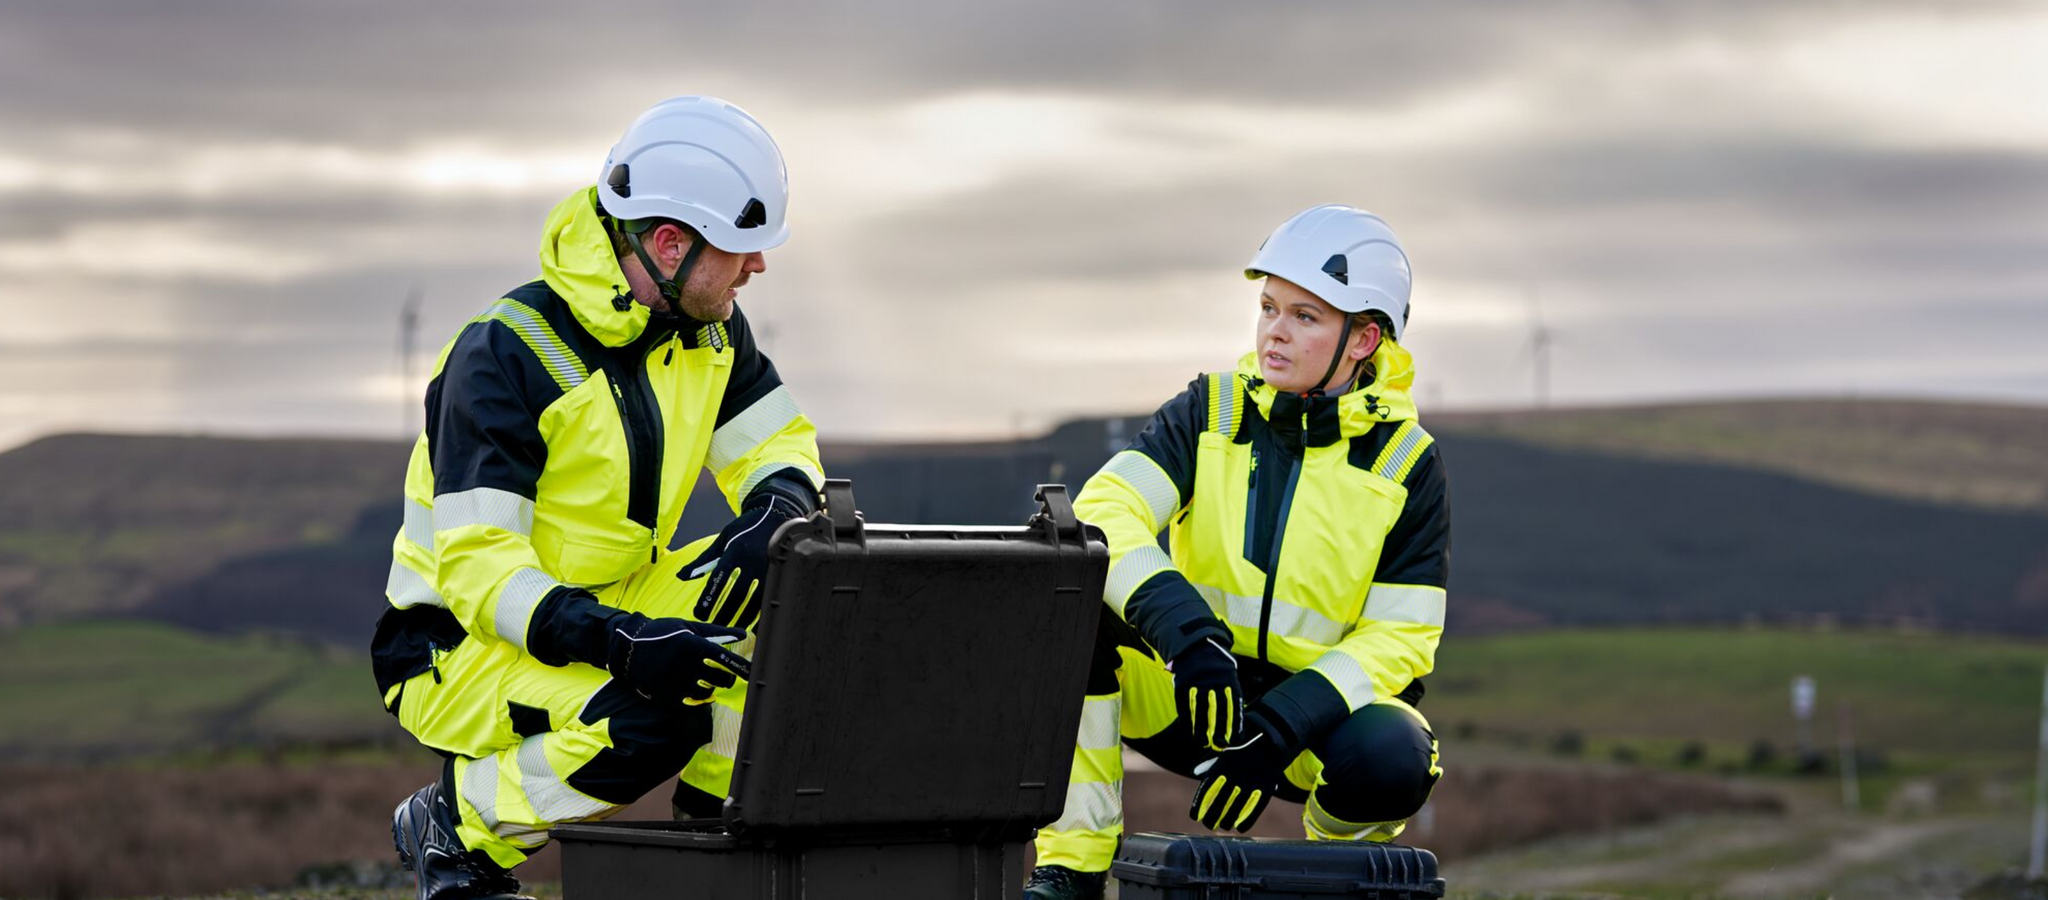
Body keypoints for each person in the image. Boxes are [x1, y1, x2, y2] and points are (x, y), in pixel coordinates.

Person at [373, 96, 825, 900]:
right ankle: (457, 827)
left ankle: (716, 840)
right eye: (741, 248)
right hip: (459, 643)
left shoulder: (712, 328)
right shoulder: (505, 356)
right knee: (658, 718)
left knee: (789, 616)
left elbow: (775, 445)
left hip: (611, 604)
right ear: (668, 244)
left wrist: (779, 513)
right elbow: (481, 572)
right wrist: (622, 644)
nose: (756, 268)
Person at [1025, 206, 1450, 899]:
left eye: (1306, 317)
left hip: (1305, 733)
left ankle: (1340, 880)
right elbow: (1104, 512)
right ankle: (1072, 868)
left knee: (1395, 753)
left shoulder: (1408, 463)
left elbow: (1402, 635)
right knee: (1067, 609)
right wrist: (1186, 636)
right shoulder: (1210, 410)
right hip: (1191, 691)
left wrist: (1287, 723)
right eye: (1268, 306)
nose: (1275, 331)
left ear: (1364, 338)